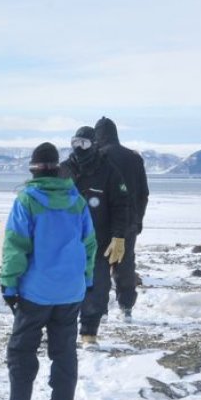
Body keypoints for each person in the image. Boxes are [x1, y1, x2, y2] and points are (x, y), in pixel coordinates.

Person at [0, 143, 97, 400]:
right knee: (64, 351)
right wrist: (88, 280)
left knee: (21, 349)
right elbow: (89, 244)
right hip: (70, 291)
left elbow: (15, 246)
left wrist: (9, 285)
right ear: (58, 168)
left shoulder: (27, 200)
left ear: (33, 169)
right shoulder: (77, 200)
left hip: (35, 292)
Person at [59, 127, 130, 346]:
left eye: (84, 144)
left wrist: (119, 236)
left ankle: (89, 332)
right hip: (66, 241)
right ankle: (60, 330)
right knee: (63, 286)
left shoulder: (108, 171)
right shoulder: (63, 171)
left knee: (97, 287)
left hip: (98, 241)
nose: (78, 148)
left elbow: (121, 205)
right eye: (75, 142)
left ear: (94, 145)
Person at [94, 117, 149, 319]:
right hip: (128, 221)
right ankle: (126, 307)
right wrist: (138, 220)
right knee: (125, 263)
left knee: (100, 264)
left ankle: (100, 310)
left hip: (102, 221)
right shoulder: (133, 158)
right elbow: (144, 193)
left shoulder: (98, 156)